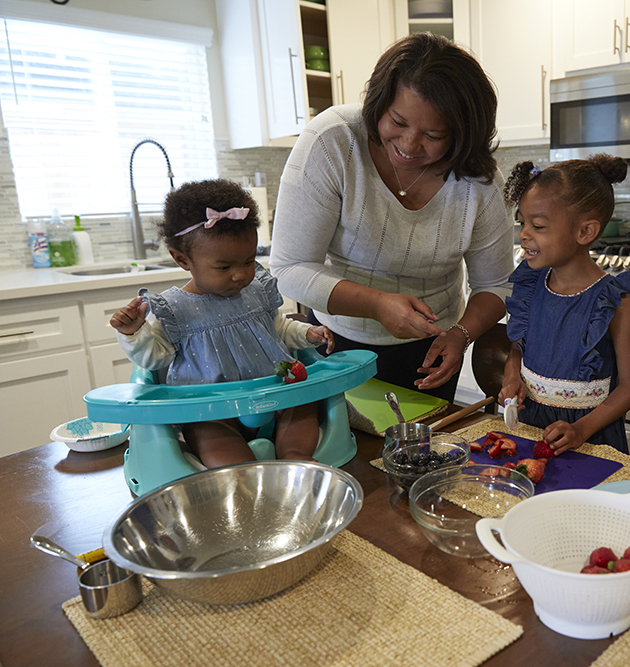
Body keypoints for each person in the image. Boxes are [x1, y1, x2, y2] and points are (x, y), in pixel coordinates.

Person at [269, 33, 513, 402]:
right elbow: (289, 267)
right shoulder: (333, 140)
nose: (409, 145)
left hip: (432, 350)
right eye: (397, 121)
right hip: (336, 342)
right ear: (378, 103)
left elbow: (496, 284)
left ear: (462, 136)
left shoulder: (478, 181)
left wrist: (460, 335)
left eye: (433, 134)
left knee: (421, 453)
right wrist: (378, 304)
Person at [109, 179, 336, 469]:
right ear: (182, 259)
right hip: (213, 412)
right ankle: (241, 473)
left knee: (303, 402)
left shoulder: (256, 290)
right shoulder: (174, 309)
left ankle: (294, 456)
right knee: (206, 431)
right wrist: (132, 333)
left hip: (273, 396)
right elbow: (153, 359)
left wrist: (307, 333)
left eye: (249, 261)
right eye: (225, 267)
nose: (240, 275)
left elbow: (277, 330)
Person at [499, 155, 630, 455]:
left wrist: (582, 429)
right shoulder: (531, 287)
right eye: (523, 222)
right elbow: (518, 351)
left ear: (585, 232)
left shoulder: (615, 303)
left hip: (591, 439)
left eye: (538, 226)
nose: (524, 234)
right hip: (531, 428)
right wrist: (512, 376)